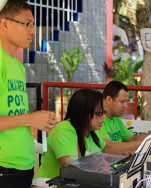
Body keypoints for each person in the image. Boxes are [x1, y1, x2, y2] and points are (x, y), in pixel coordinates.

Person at [0, 1, 56, 187]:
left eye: (33, 25)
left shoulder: (17, 66)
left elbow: (15, 114)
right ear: (4, 23)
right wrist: (30, 119)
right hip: (4, 169)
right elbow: (24, 118)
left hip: (24, 166)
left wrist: (39, 120)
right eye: (27, 24)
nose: (33, 31)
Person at [35, 89, 107, 179]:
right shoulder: (63, 130)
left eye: (103, 112)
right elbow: (70, 169)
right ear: (83, 112)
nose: (103, 116)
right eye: (98, 113)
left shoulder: (92, 131)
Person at [97, 80, 151, 154]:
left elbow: (132, 139)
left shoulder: (115, 118)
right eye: (122, 101)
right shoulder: (97, 119)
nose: (125, 106)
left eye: (126, 101)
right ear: (109, 99)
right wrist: (148, 142)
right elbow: (109, 147)